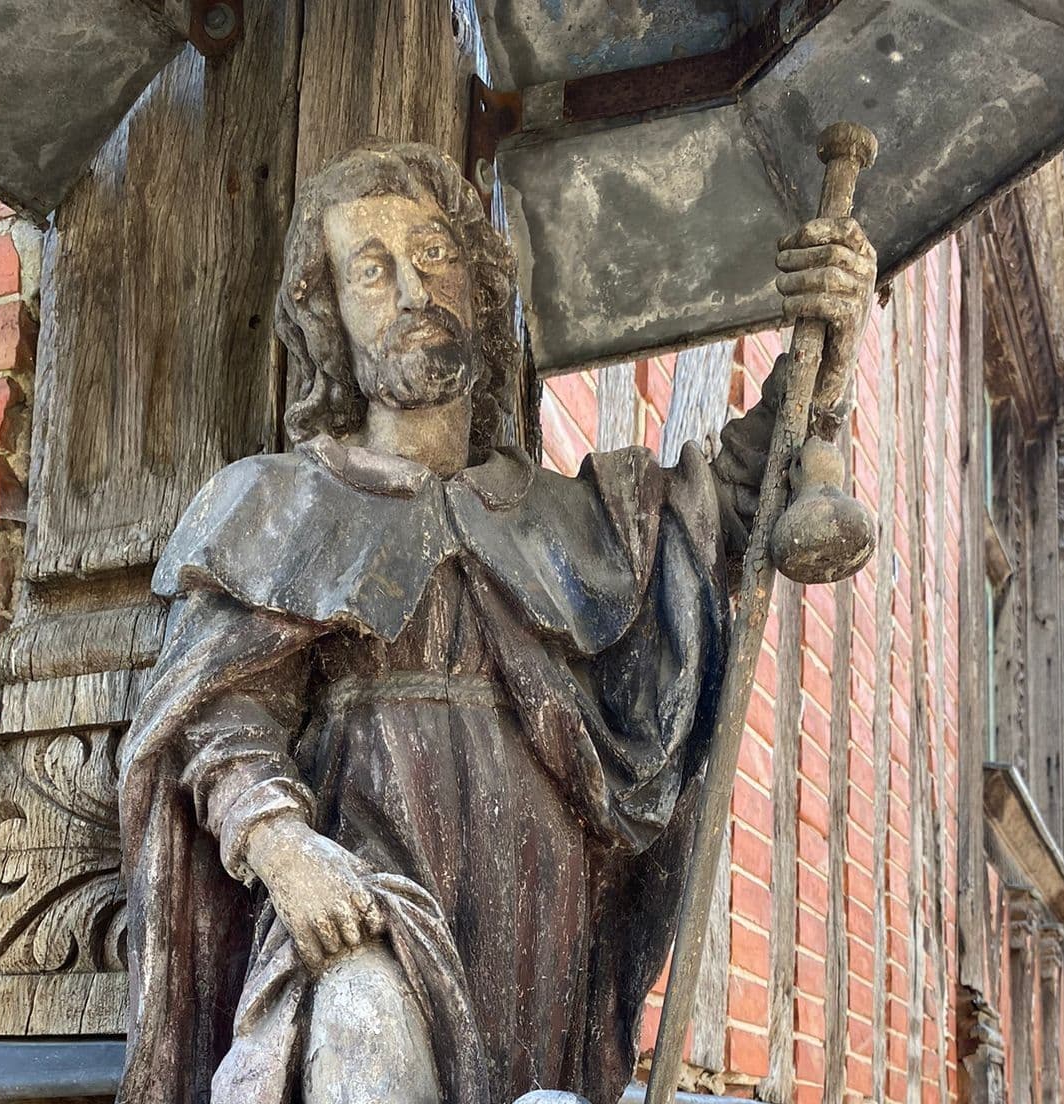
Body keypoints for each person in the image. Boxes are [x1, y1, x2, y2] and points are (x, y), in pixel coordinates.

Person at [115, 141, 875, 1104]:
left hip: (541, 911)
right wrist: (283, 847)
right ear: (331, 321)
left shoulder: (571, 515)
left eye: (434, 253)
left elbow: (737, 499)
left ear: (477, 288)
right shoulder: (276, 507)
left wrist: (825, 352)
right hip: (369, 891)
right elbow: (220, 717)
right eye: (371, 267)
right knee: (357, 1021)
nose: (410, 286)